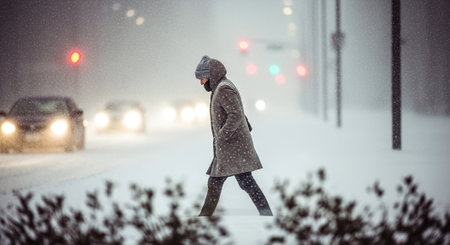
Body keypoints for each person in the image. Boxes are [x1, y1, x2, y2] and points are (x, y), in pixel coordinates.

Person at [194, 55, 273, 216]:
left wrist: (222, 136)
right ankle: (266, 214)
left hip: (233, 148)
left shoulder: (223, 89)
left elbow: (236, 115)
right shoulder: (220, 88)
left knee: (218, 183)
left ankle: (203, 218)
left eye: (202, 78)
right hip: (231, 148)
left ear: (211, 75)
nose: (201, 83)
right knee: (243, 183)